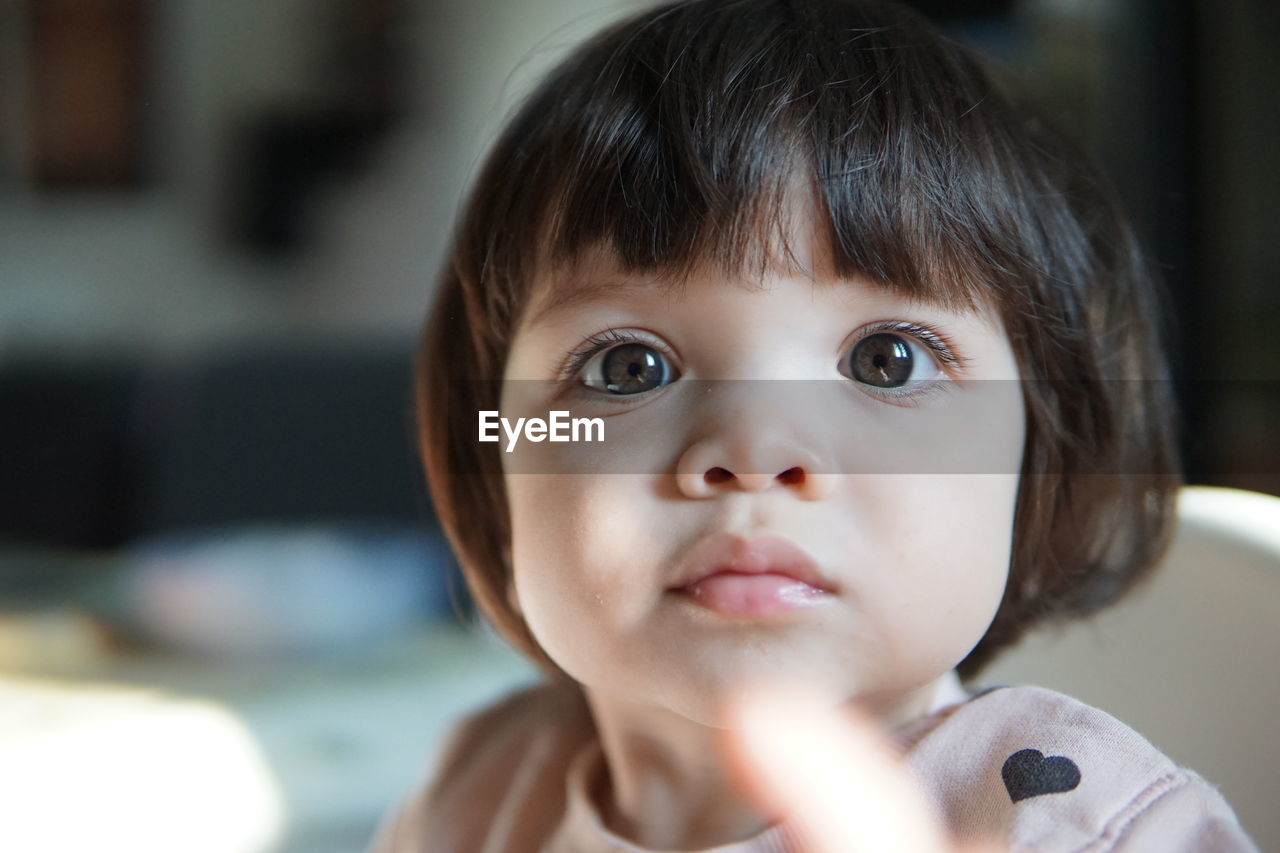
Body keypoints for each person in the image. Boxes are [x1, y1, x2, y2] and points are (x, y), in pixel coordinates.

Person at [371, 0, 1258, 849]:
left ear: (1041, 454)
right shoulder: (475, 796)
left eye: (888, 360)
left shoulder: (1070, 823)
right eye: (627, 368)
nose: (754, 453)